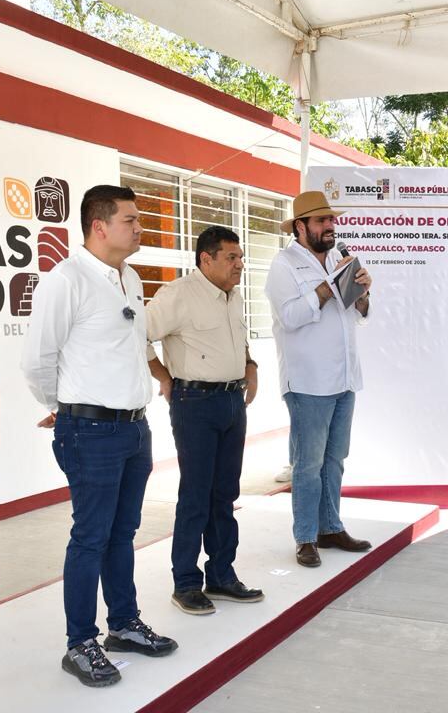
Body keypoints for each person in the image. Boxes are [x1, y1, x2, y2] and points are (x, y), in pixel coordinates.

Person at [22, 185, 176, 688]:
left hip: (134, 428)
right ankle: (80, 642)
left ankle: (124, 625)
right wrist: (59, 407)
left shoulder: (129, 278)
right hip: (89, 429)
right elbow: (38, 359)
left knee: (121, 533)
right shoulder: (66, 281)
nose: (140, 228)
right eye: (130, 220)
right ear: (99, 226)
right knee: (90, 536)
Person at [146, 225, 263, 615]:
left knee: (225, 493)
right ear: (206, 259)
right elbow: (137, 333)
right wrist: (163, 375)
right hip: (194, 402)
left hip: (232, 402)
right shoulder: (178, 295)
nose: (240, 265)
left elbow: (237, 338)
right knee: (196, 494)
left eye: (241, 257)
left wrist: (250, 364)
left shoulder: (233, 296)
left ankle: (222, 575)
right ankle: (185, 583)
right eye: (231, 257)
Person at [265, 191, 375, 568]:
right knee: (308, 464)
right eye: (322, 221)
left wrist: (362, 292)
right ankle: (306, 537)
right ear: (301, 227)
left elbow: (358, 313)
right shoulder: (283, 265)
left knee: (335, 459)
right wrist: (326, 288)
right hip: (309, 381)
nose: (331, 226)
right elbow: (290, 317)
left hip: (344, 377)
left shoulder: (339, 258)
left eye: (332, 220)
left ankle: (331, 527)